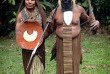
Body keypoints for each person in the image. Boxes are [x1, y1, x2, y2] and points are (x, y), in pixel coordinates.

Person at [47, 0, 100, 74]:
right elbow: (50, 30)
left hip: (75, 43)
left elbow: (90, 21)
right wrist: (49, 23)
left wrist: (96, 23)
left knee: (74, 64)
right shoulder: (54, 12)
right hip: (61, 43)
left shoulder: (79, 9)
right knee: (61, 65)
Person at [16, 0, 46, 74]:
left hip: (39, 48)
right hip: (27, 50)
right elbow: (18, 34)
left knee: (40, 70)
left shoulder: (40, 14)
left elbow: (46, 30)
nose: (29, 2)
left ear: (36, 1)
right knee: (28, 69)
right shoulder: (21, 15)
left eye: (32, 0)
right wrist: (27, 44)